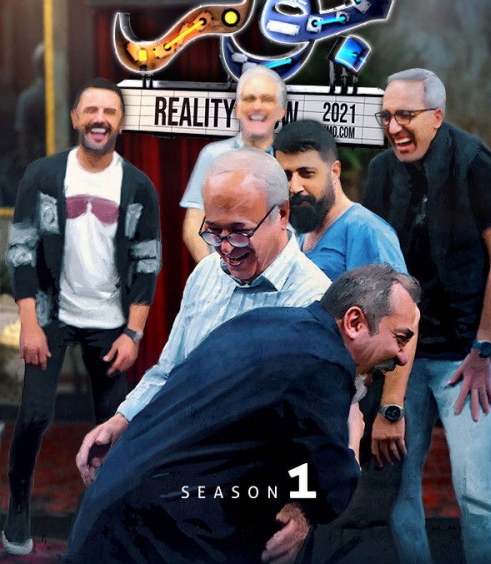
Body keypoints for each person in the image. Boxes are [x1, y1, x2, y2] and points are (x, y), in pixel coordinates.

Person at [74, 147, 331, 563]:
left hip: (252, 496)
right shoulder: (207, 274)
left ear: (282, 214)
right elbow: (169, 371)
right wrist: (121, 421)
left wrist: (303, 509)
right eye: (214, 232)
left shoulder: (313, 300)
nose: (225, 248)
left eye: (240, 232)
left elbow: (316, 429)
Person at [65, 264, 420, 564]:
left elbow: (297, 454)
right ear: (355, 322)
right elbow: (332, 484)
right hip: (153, 537)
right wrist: (353, 434)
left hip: (110, 516)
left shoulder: (263, 320)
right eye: (401, 338)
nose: (403, 357)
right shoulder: (323, 363)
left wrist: (302, 504)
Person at [2, 78, 162, 556]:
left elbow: (147, 262)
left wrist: (134, 332)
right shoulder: (43, 175)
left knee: (112, 426)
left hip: (111, 321)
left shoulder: (138, 186)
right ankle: (18, 509)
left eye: (109, 111)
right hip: (50, 314)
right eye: (91, 109)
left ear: (120, 123)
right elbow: (21, 249)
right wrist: (29, 323)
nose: (99, 119)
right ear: (75, 118)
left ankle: (105, 518)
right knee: (34, 415)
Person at [364, 68, 491, 564]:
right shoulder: (381, 171)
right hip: (402, 356)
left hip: (466, 358)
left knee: (476, 491)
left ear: (436, 116)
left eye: (405, 115)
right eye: (386, 116)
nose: (394, 127)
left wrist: (483, 350)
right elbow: (375, 268)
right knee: (398, 488)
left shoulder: (476, 164)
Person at [274, 118, 414, 562]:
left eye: (306, 173)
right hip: (314, 408)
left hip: (361, 405)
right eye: (286, 174)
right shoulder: (299, 233)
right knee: (306, 517)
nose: (295, 186)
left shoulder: (368, 232)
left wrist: (390, 409)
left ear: (334, 171)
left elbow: (406, 323)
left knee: (347, 526)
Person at [180, 64, 286, 262]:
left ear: (281, 111)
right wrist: (215, 274)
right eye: (249, 98)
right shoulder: (213, 156)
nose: (257, 106)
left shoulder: (290, 160)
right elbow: (193, 227)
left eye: (267, 99)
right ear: (237, 109)